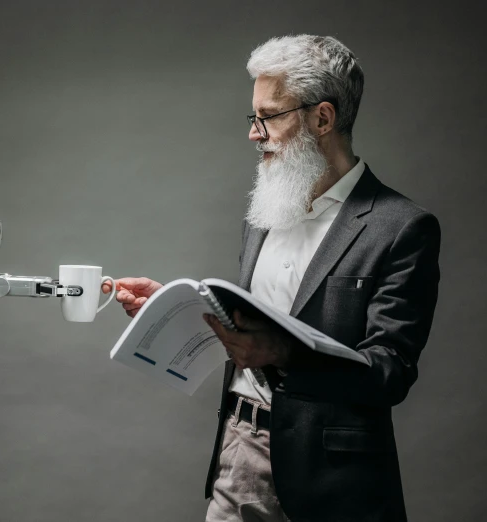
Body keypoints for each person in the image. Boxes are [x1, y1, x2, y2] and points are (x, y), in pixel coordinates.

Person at [101, 34, 440, 522]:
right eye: (253, 117)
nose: (253, 133)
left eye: (269, 115)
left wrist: (284, 355)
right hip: (239, 452)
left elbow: (391, 372)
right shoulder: (264, 211)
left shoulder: (401, 226)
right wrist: (179, 308)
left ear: (322, 118)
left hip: (335, 480)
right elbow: (254, 330)